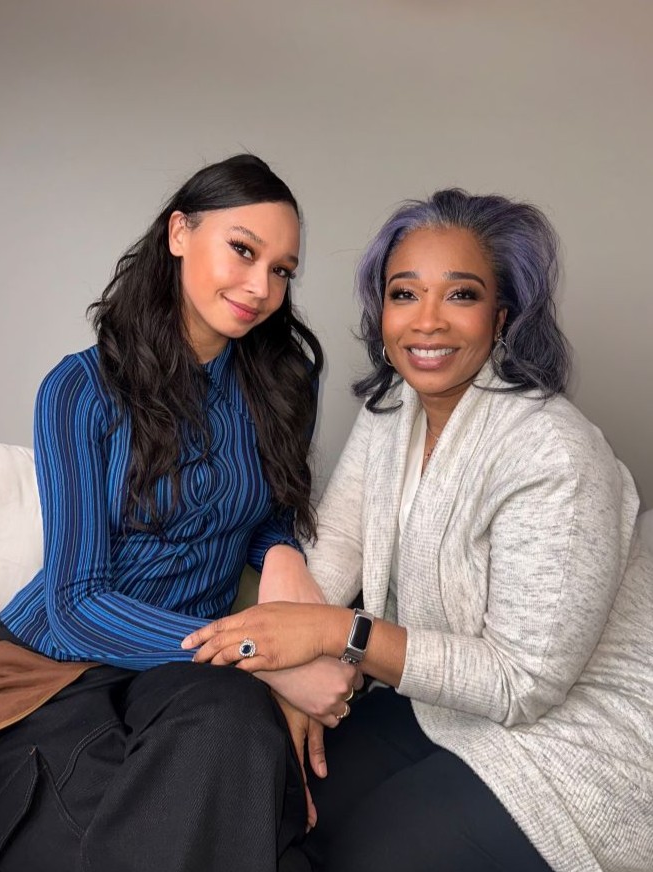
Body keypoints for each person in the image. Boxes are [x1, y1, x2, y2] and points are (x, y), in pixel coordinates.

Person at [183, 189, 653, 872]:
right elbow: (337, 546)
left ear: (502, 316)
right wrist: (291, 675)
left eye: (460, 295)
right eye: (405, 294)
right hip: (440, 706)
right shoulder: (394, 407)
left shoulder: (554, 454)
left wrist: (331, 636)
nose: (427, 322)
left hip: (578, 747)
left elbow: (520, 684)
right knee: (268, 813)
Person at [0, 154, 357, 872]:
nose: (261, 287)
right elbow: (77, 605)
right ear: (178, 234)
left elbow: (262, 511)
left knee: (231, 728)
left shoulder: (287, 381)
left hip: (183, 669)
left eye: (283, 269)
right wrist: (265, 660)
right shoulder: (79, 389)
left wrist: (280, 551)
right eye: (243, 250)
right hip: (51, 668)